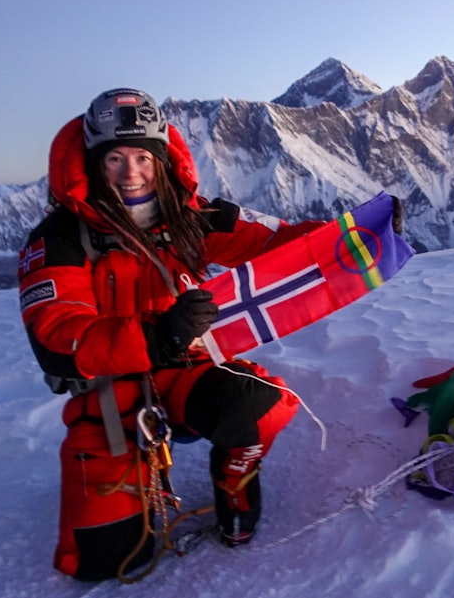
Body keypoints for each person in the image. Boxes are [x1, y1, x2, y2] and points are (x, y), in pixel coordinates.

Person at [18, 88, 324, 581]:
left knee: (259, 404)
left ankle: (233, 479)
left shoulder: (193, 214)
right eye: (115, 158)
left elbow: (276, 242)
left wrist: (358, 233)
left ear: (162, 159)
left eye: (143, 157)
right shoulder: (58, 238)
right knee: (109, 562)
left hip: (184, 368)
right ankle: (133, 478)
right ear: (95, 163)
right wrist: (157, 333)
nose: (131, 172)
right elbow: (57, 339)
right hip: (110, 400)